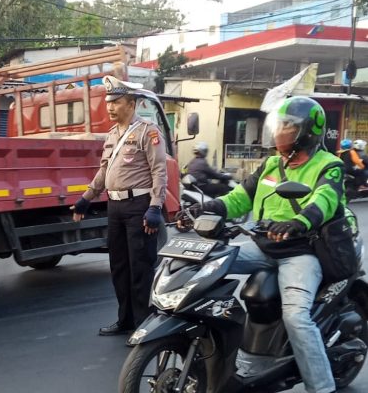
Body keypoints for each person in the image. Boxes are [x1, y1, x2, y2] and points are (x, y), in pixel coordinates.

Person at [187, 96, 343, 393]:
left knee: (296, 317)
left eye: (287, 125)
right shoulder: (271, 164)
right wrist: (206, 209)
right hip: (262, 246)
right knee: (200, 265)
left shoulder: (329, 165)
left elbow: (325, 200)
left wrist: (298, 222)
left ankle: (322, 387)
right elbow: (238, 199)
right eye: (279, 124)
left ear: (307, 131)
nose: (278, 131)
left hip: (301, 251)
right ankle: (230, 352)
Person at [71, 75, 167, 336]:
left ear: (132, 103)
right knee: (119, 268)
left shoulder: (148, 132)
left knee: (140, 268)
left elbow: (159, 170)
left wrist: (155, 206)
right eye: (108, 102)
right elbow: (104, 171)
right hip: (115, 208)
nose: (110, 107)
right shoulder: (112, 135)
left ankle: (143, 324)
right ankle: (125, 320)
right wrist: (86, 199)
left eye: (116, 102)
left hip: (139, 206)